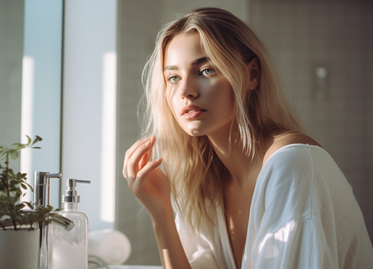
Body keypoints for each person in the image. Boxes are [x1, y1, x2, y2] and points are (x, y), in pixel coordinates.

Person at [122, 7, 373, 269]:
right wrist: (161, 212)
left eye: (206, 70)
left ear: (251, 75)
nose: (185, 90)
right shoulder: (206, 184)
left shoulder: (292, 165)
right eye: (173, 77)